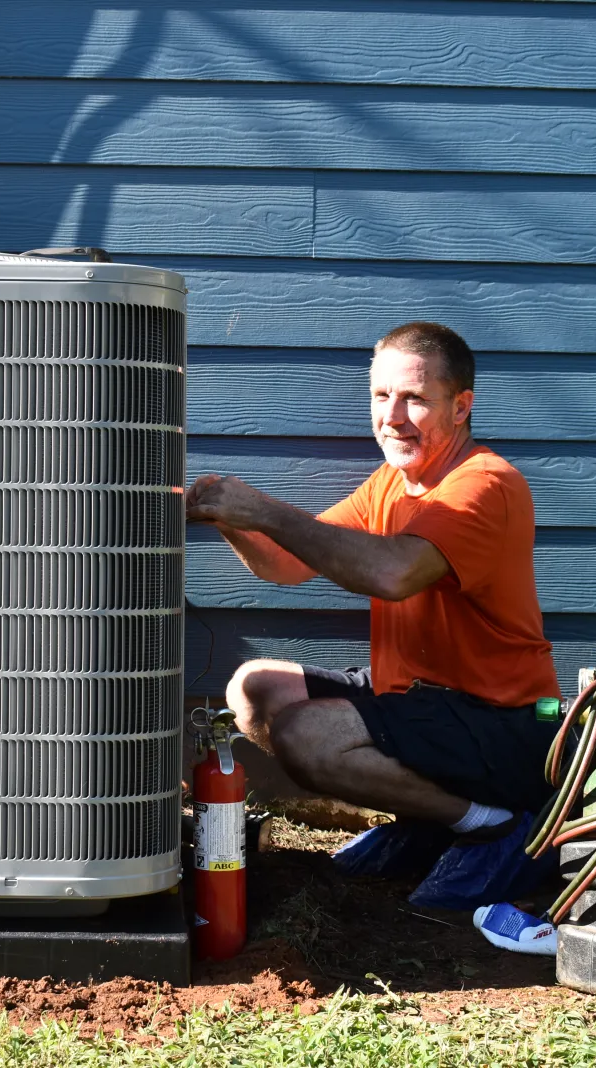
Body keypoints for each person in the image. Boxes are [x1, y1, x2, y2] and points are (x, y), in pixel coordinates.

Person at [185, 322, 560, 841]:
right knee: (255, 688)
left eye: (415, 399)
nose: (391, 417)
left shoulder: (484, 485)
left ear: (460, 406)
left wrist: (265, 511)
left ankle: (488, 826)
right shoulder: (392, 483)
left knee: (305, 736)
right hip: (413, 694)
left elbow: (394, 573)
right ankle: (434, 812)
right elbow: (284, 565)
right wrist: (229, 518)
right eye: (381, 395)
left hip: (500, 720)